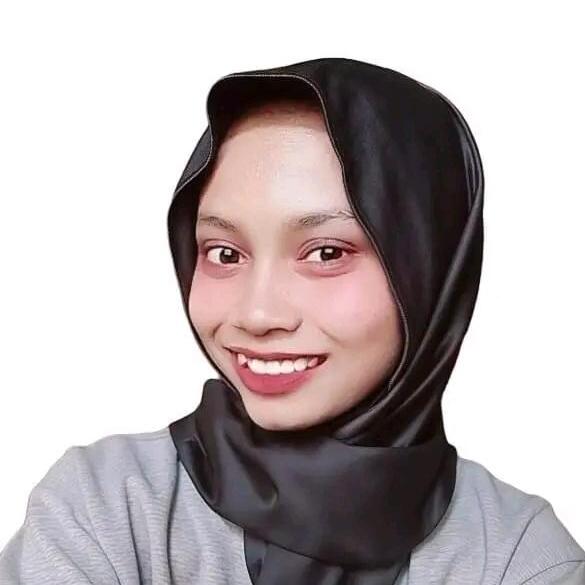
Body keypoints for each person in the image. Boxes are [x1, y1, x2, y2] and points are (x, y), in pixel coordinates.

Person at [0, 57, 583, 584]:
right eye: (224, 253)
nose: (257, 315)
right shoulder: (107, 510)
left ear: (431, 267)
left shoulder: (518, 557)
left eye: (326, 253)